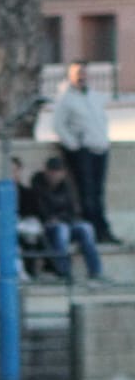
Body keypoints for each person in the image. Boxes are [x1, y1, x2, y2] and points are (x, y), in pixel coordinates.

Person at [52, 61, 116, 244]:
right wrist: (74, 145)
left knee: (97, 192)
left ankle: (103, 230)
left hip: (100, 148)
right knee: (86, 193)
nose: (81, 76)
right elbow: (58, 125)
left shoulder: (93, 96)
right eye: (78, 73)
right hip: (83, 150)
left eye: (84, 72)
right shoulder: (65, 98)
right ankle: (92, 232)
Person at [32, 154, 108, 283]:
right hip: (48, 226)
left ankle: (95, 271)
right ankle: (64, 272)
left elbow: (72, 210)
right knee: (62, 230)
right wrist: (55, 219)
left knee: (86, 228)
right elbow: (41, 209)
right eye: (52, 171)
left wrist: (63, 218)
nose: (55, 175)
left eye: (58, 172)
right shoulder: (38, 185)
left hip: (66, 222)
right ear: (46, 171)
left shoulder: (67, 186)